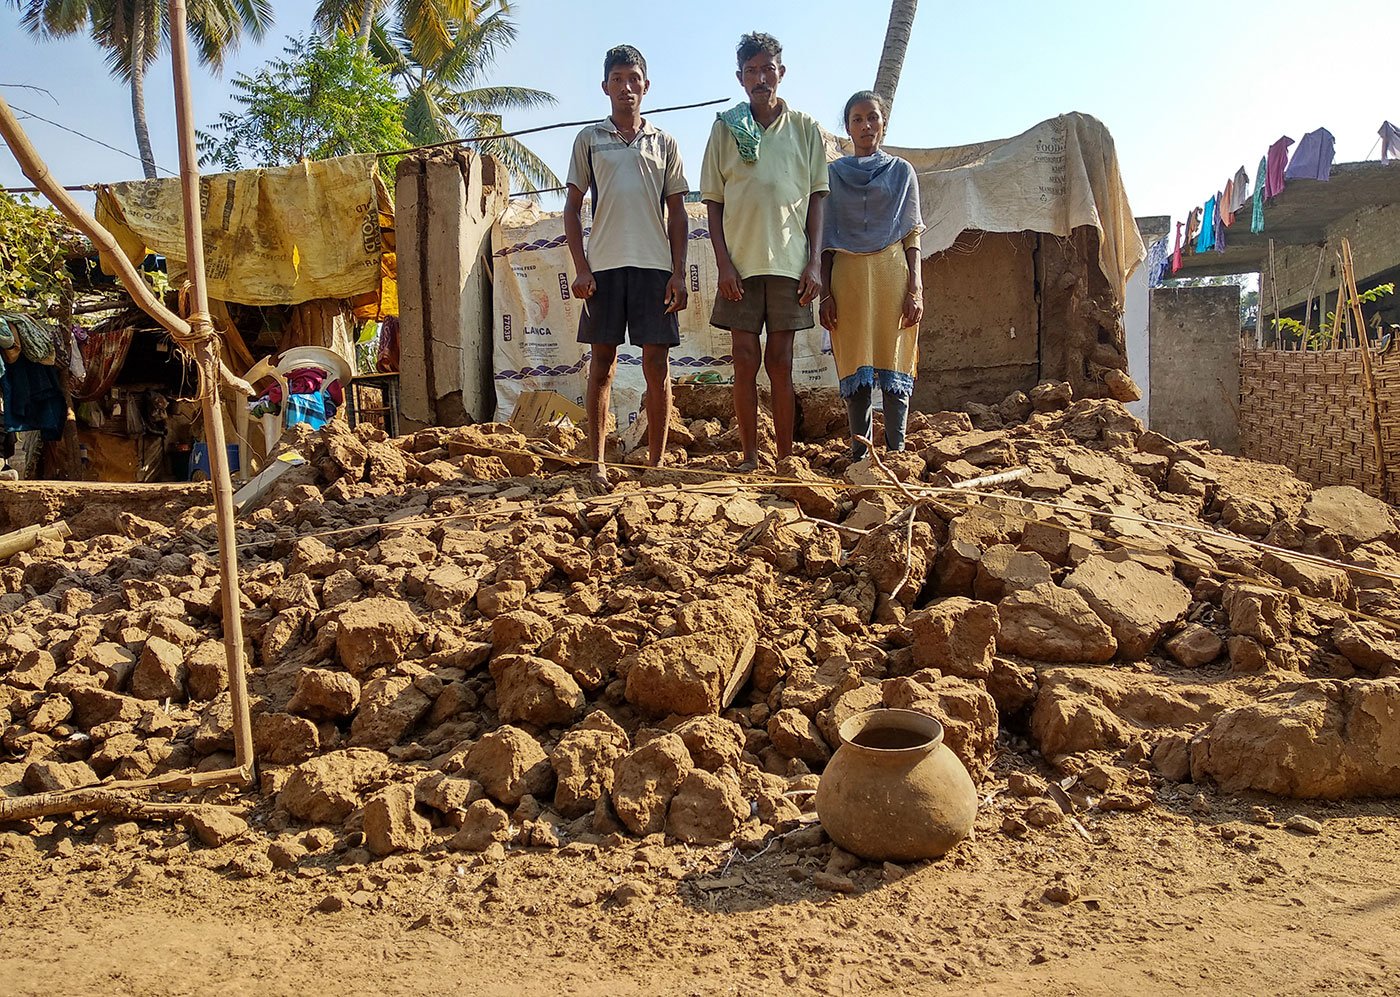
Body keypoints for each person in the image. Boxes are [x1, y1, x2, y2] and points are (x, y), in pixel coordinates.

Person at [700, 32, 828, 470]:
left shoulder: (805, 128)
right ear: (740, 77)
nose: (760, 78)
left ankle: (786, 458)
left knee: (781, 363)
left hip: (790, 264)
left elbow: (817, 198)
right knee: (743, 361)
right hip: (740, 265)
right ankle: (750, 455)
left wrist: (813, 262)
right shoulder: (725, 128)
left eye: (767, 69)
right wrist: (723, 265)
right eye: (751, 70)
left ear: (781, 73)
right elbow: (713, 203)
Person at [564, 44, 689, 488]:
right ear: (605, 87)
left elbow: (677, 213)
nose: (626, 87)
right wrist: (581, 267)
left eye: (633, 79)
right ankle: (596, 462)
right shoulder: (589, 139)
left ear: (646, 86)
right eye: (617, 79)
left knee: (657, 365)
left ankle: (656, 464)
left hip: (655, 269)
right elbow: (572, 208)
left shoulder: (665, 143)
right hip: (604, 270)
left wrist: (678, 271)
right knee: (602, 364)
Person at [818, 90, 924, 461]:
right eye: (857, 119)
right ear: (847, 128)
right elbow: (826, 240)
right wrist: (824, 294)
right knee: (855, 362)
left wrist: (916, 288)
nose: (866, 125)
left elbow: (912, 234)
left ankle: (897, 451)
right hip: (846, 280)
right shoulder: (832, 175)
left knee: (894, 357)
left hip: (891, 275)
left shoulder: (901, 172)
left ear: (884, 123)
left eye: (872, 118)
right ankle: (859, 454)